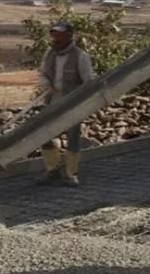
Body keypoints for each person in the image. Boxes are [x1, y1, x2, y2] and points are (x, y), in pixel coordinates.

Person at [36, 22, 95, 186]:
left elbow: (88, 82)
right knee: (44, 135)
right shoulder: (49, 54)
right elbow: (42, 74)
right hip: (52, 101)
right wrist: (47, 84)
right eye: (54, 34)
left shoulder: (81, 56)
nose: (56, 38)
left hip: (72, 104)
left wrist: (81, 101)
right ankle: (52, 170)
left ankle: (71, 174)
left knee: (72, 138)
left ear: (69, 35)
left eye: (60, 34)